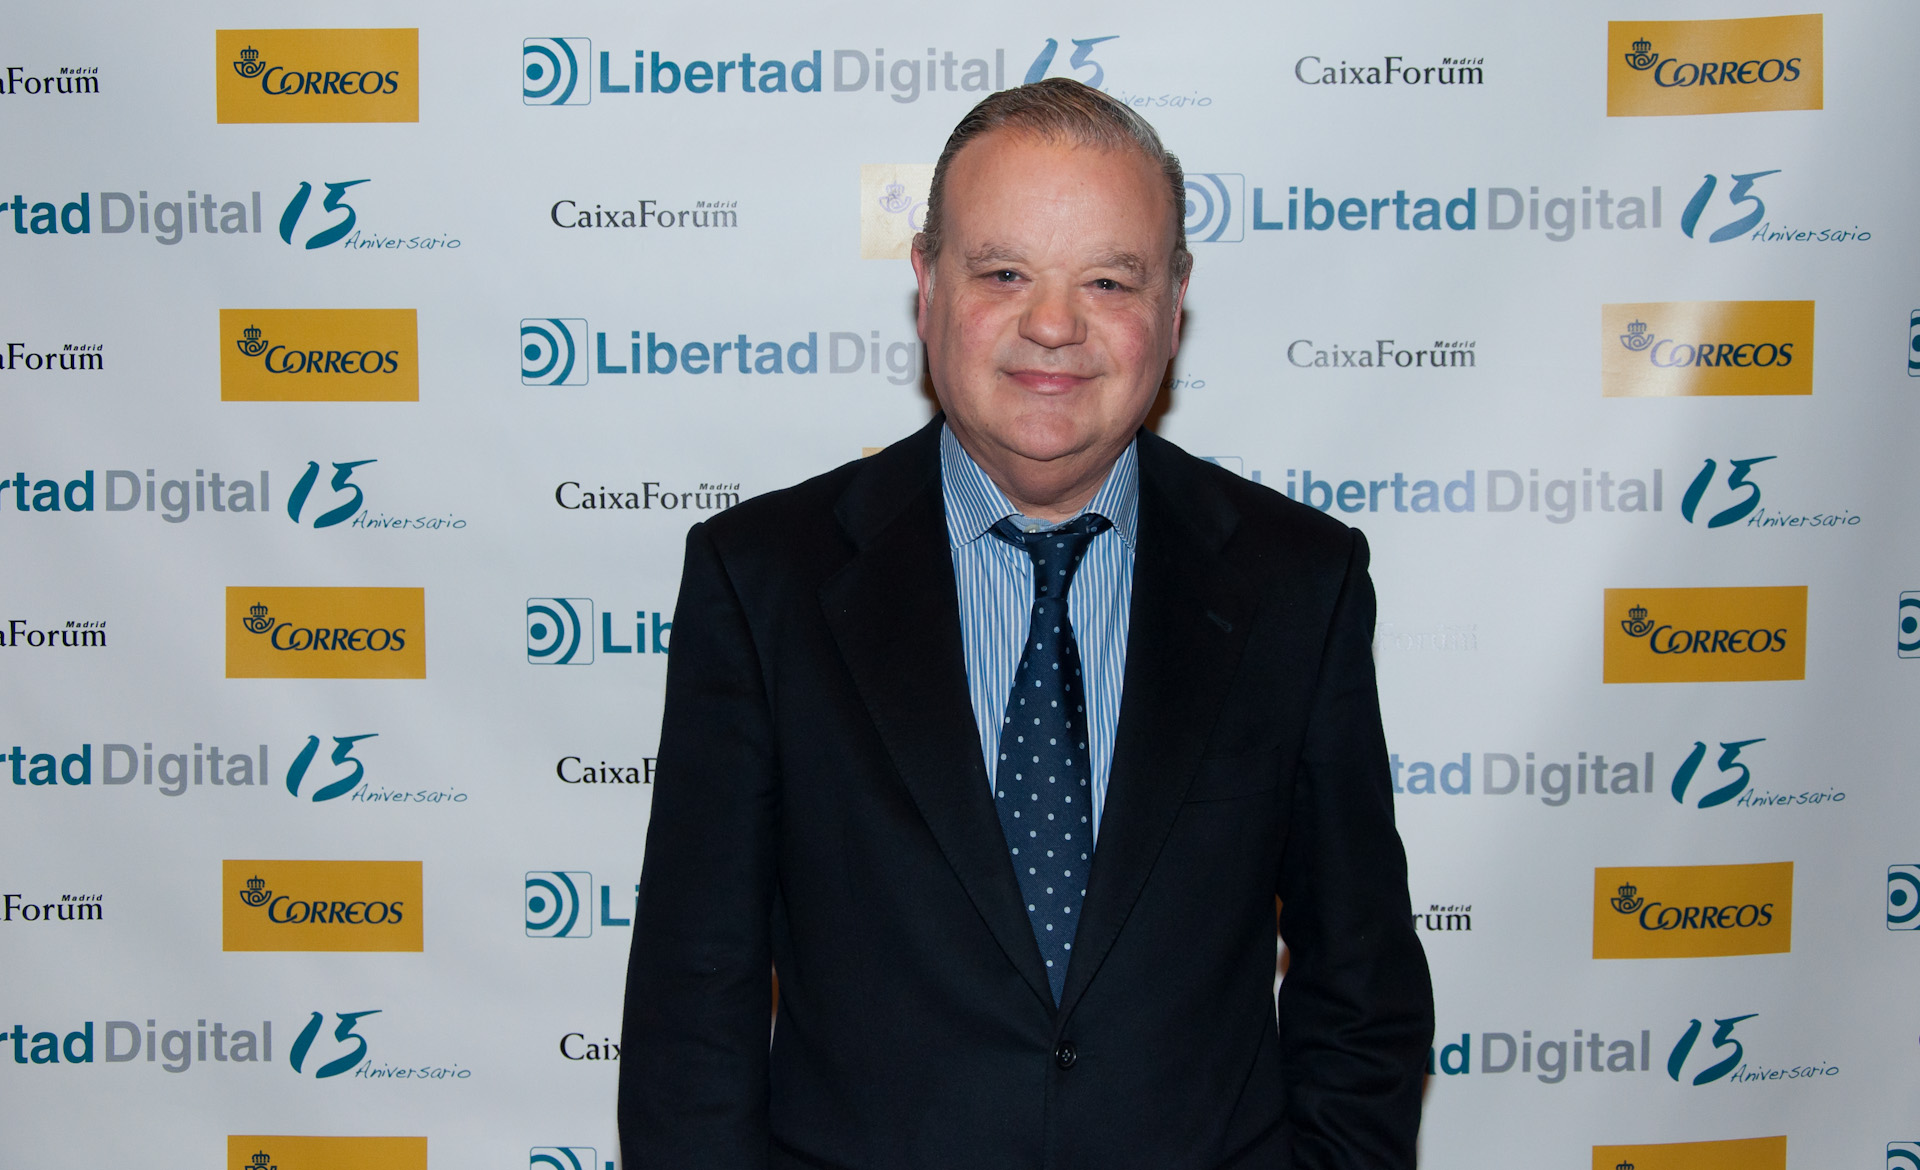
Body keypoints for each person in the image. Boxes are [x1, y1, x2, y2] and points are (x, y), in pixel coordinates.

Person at [618, 78, 1432, 1170]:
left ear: (1175, 304)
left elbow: (1363, 986)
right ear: (926, 283)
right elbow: (692, 1009)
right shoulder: (762, 579)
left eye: (1109, 280)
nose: (1053, 325)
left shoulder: (1300, 582)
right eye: (1004, 273)